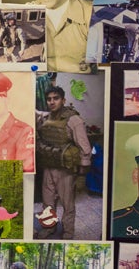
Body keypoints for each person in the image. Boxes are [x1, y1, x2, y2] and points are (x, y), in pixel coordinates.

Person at [35, 85, 92, 239]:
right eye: (49, 99)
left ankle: (68, 232)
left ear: (63, 100)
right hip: (49, 167)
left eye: (56, 98)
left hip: (66, 170)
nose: (52, 102)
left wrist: (81, 175)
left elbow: (85, 148)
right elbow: (34, 114)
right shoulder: (45, 118)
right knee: (47, 203)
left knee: (67, 204)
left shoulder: (74, 120)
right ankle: (49, 228)